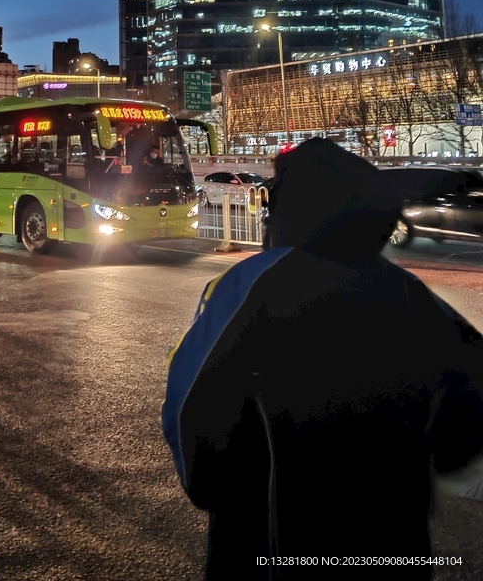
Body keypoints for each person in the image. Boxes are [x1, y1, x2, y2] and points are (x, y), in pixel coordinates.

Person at [162, 138, 483, 579]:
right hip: (391, 543)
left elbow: (190, 402)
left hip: (270, 538)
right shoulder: (406, 291)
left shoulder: (251, 284)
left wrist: (212, 487)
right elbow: (469, 401)